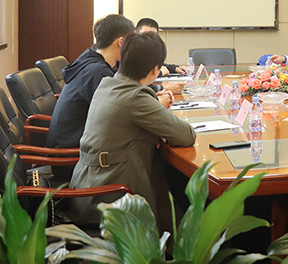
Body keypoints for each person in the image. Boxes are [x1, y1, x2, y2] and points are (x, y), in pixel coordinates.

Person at [69, 31, 195, 228]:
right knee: (178, 188)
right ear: (155, 70)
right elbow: (186, 135)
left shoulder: (108, 83)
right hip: (108, 195)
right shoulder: (136, 97)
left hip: (86, 184)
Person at [47, 14, 136, 150]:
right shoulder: (96, 72)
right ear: (121, 42)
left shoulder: (93, 62)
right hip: (73, 152)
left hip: (79, 140)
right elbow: (118, 113)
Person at [135, 18, 185, 94]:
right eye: (144, 35)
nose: (148, 40)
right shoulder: (130, 52)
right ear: (135, 33)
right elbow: (135, 84)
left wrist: (174, 68)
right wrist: (160, 76)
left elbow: (155, 64)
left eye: (152, 36)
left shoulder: (148, 50)